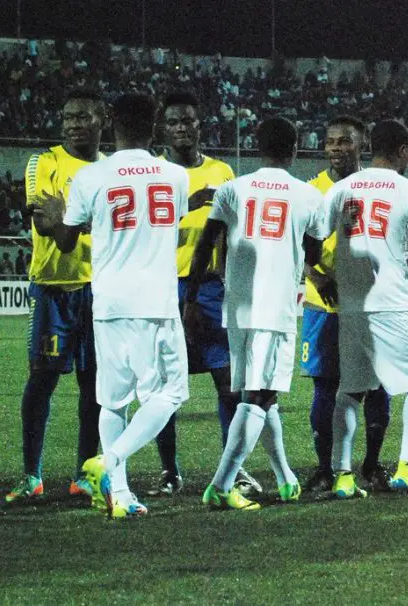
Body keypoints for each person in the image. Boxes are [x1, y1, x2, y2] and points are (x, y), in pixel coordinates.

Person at [35, 92, 191, 517]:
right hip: (155, 300)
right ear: (154, 125)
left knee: (113, 400)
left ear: (111, 123)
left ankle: (120, 496)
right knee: (171, 392)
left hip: (107, 301)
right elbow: (168, 227)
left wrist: (58, 218)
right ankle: (111, 459)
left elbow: (66, 242)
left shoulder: (90, 177)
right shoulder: (175, 176)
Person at [192, 117, 325, 511]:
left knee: (264, 396)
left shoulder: (232, 189)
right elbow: (314, 253)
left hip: (236, 307)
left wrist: (190, 299)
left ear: (257, 147)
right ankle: (222, 484)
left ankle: (284, 477)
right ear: (295, 149)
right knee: (258, 395)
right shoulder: (308, 195)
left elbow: (206, 244)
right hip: (275, 307)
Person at [320, 119, 408, 498]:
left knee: (350, 390)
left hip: (351, 305)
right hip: (393, 303)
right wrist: (396, 268)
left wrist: (331, 276)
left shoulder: (341, 188)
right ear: (404, 150)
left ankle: (342, 475)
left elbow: (312, 238)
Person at [148, 91, 262, 497]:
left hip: (212, 289)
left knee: (228, 382)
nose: (181, 128)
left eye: (188, 121)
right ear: (162, 129)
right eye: (173, 122)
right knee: (165, 385)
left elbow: (233, 231)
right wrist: (186, 204)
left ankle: (234, 470)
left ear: (200, 126)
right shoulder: (154, 173)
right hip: (163, 287)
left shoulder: (222, 172)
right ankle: (169, 471)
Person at [5, 90, 105, 505]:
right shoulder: (44, 161)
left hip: (99, 290)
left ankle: (85, 475)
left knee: (93, 385)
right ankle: (32, 475)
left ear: (101, 120)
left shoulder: (110, 170)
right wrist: (89, 221)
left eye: (82, 116)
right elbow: (45, 222)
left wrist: (69, 216)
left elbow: (67, 220)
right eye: (67, 117)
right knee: (41, 380)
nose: (73, 124)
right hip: (52, 288)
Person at [300, 116, 392, 494]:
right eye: (331, 142)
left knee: (378, 387)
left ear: (362, 145)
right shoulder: (311, 191)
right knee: (325, 387)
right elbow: (295, 243)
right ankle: (325, 468)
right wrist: (317, 276)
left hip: (371, 305)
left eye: (345, 141)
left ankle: (371, 464)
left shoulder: (375, 187)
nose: (336, 148)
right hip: (324, 306)